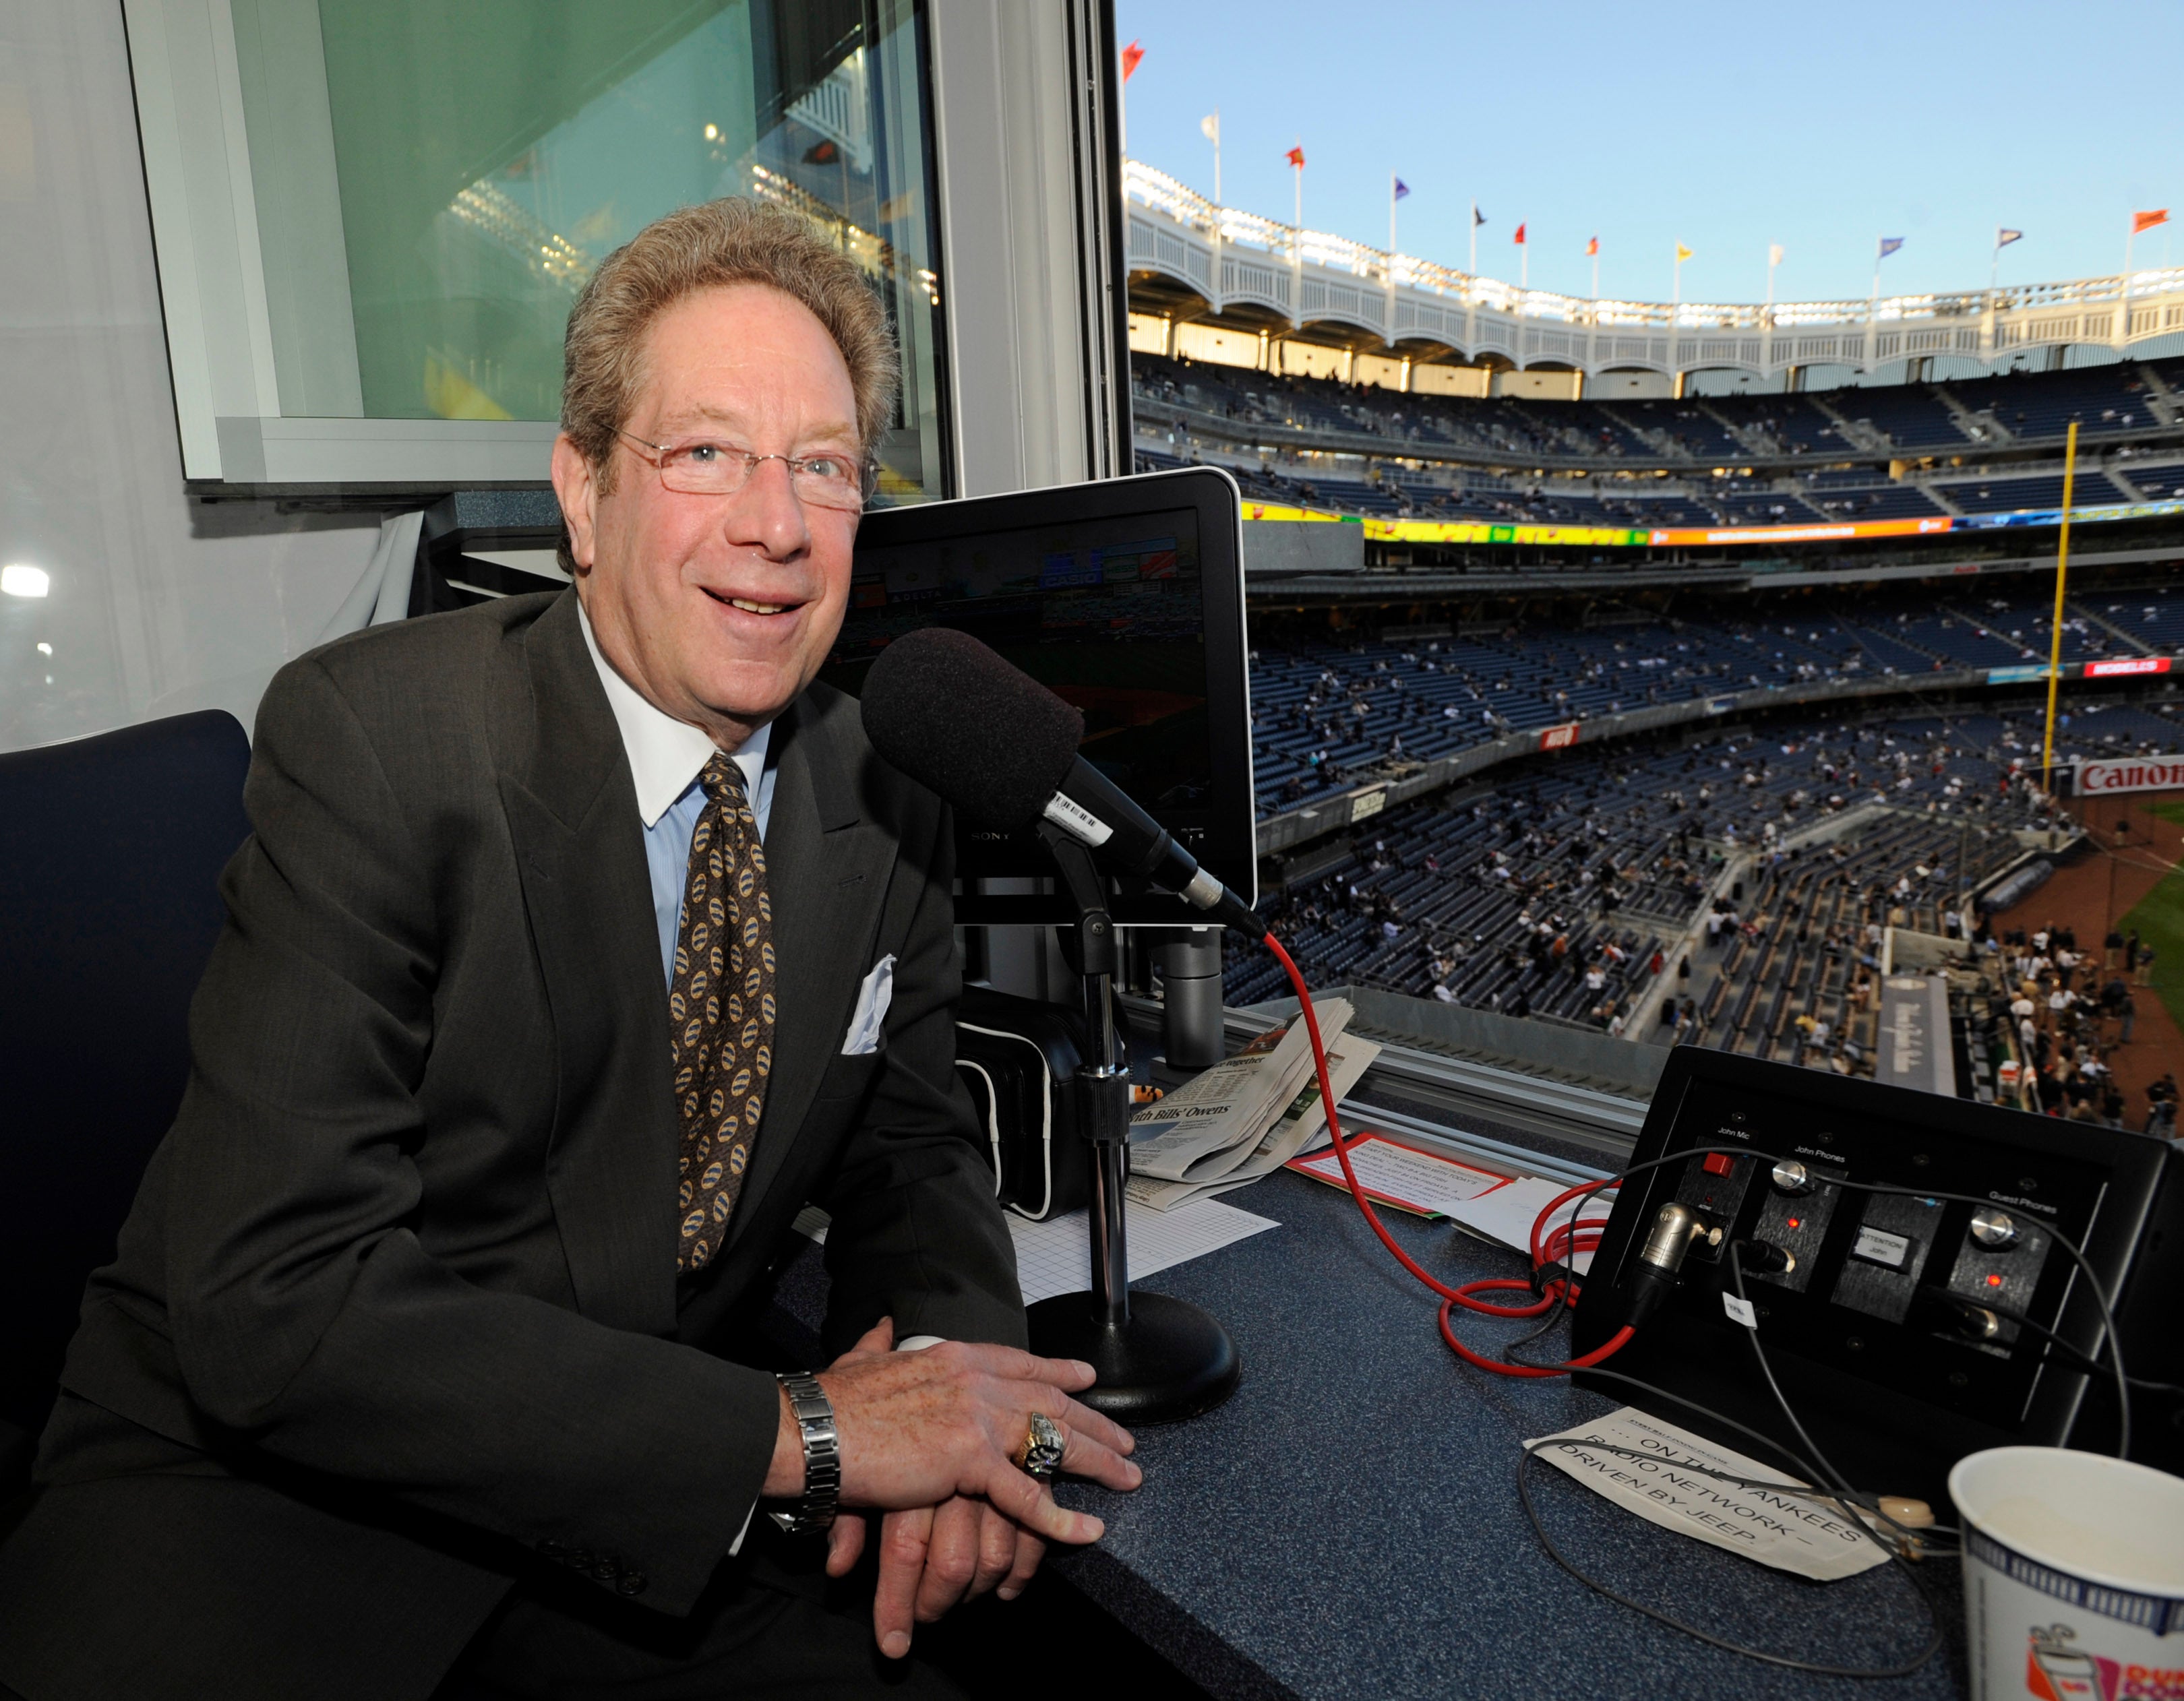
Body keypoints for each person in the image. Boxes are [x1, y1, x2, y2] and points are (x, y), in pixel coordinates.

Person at [0, 201, 1139, 1701]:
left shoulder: (893, 788)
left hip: (645, 1536)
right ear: (584, 497)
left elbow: (912, 1157)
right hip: (274, 1535)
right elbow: (275, 1299)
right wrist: (813, 1432)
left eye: (823, 467)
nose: (776, 523)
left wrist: (952, 1387)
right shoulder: (378, 741)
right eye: (707, 452)